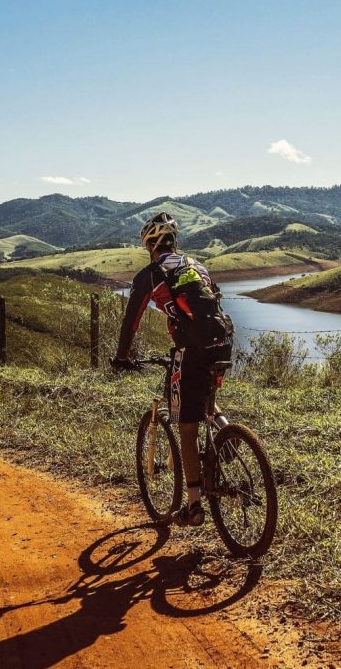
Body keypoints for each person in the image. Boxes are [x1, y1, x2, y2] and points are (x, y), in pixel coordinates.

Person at [112, 212, 234, 527]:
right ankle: (229, 433)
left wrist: (122, 356)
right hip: (222, 342)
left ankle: (193, 506)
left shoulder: (151, 274)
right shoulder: (196, 265)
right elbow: (215, 302)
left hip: (190, 350)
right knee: (204, 398)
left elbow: (131, 321)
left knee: (187, 426)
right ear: (173, 242)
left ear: (150, 245)